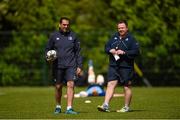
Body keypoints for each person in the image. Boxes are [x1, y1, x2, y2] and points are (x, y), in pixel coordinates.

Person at [97, 20, 140, 112]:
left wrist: (124, 52)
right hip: (113, 65)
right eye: (119, 28)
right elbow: (106, 47)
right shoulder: (114, 37)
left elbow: (136, 52)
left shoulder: (132, 39)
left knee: (126, 87)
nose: (120, 29)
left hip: (126, 67)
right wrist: (110, 50)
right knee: (110, 84)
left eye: (122, 28)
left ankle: (126, 107)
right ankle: (105, 105)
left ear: (127, 28)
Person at [45, 17, 82, 114]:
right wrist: (47, 57)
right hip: (58, 66)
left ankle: (69, 108)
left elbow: (78, 52)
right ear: (60, 25)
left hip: (71, 65)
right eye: (64, 24)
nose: (66, 26)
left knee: (71, 84)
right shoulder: (53, 36)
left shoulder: (74, 36)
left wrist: (79, 66)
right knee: (58, 87)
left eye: (67, 25)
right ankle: (58, 106)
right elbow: (47, 49)